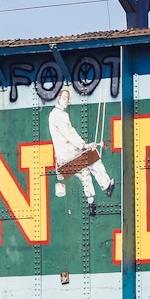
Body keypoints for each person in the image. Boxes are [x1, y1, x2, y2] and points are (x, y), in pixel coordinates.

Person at [48, 87, 114, 216]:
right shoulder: (59, 115)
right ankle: (106, 186)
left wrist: (84, 146)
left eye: (68, 99)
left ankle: (91, 203)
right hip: (67, 158)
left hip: (62, 164)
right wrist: (84, 146)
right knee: (93, 157)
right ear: (58, 98)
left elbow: (69, 135)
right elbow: (69, 134)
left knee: (84, 171)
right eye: (64, 98)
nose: (66, 101)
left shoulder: (55, 115)